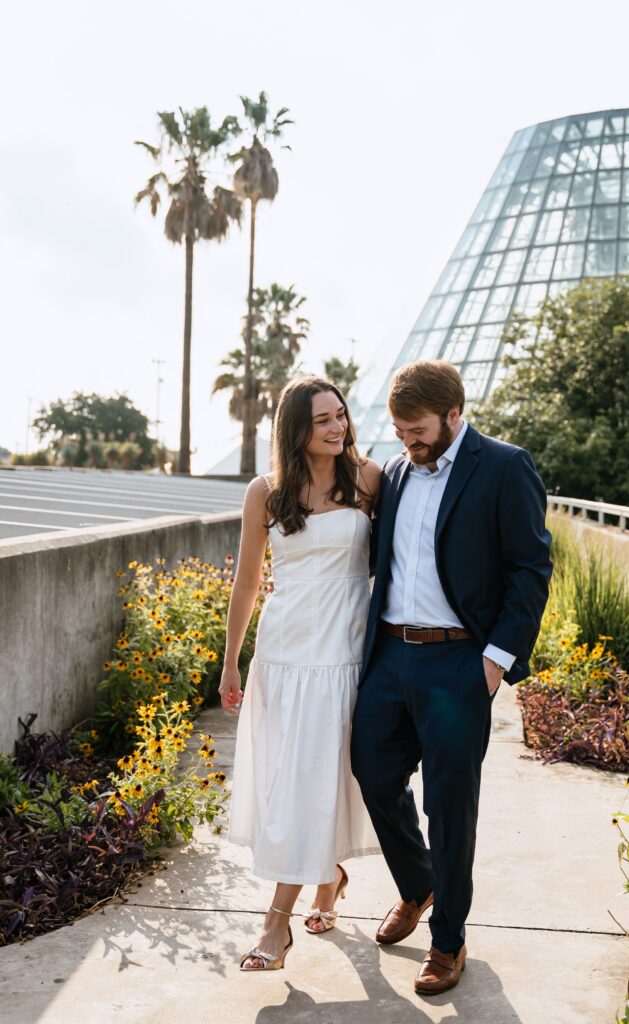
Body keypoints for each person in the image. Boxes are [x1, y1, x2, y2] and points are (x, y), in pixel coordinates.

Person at [351, 359, 552, 996]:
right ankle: (419, 885)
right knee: (373, 772)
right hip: (389, 655)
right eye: (398, 429)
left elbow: (530, 568)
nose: (406, 440)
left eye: (416, 429)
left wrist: (495, 661)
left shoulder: (504, 466)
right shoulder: (397, 473)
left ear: (453, 415)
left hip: (460, 661)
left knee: (449, 804)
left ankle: (448, 939)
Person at [219, 375, 382, 972]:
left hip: (343, 653)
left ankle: (276, 923)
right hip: (284, 654)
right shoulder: (266, 491)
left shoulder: (368, 479)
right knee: (293, 780)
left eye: (340, 415)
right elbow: (246, 582)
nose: (338, 426)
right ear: (296, 429)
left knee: (324, 776)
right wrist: (231, 659)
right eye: (323, 420)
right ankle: (327, 880)